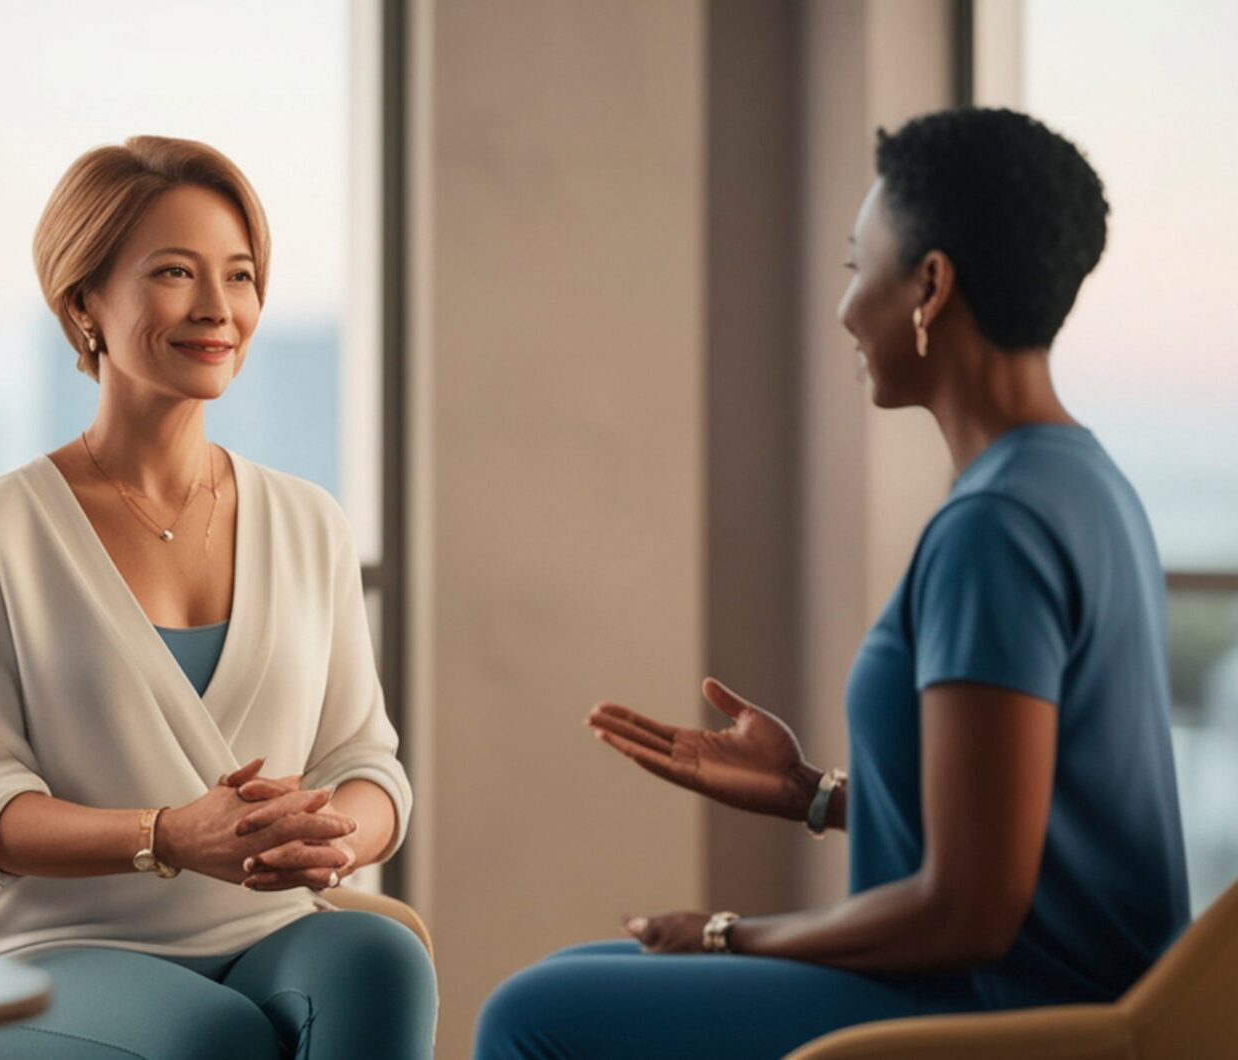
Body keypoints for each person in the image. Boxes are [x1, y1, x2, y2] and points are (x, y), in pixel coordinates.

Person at [474, 107, 1191, 1060]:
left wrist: (730, 932)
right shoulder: (1081, 481)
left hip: (999, 1015)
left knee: (531, 1019)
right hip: (1041, 992)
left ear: (930, 285)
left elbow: (968, 912)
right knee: (566, 975)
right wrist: (811, 793)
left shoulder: (995, 528)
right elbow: (1027, 810)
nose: (848, 307)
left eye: (859, 268)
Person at [0, 136, 436, 1059]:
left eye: (239, 276)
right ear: (84, 305)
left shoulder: (309, 522)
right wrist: (170, 836)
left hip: (263, 936)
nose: (217, 309)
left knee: (381, 957)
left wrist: (332, 838)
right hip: (44, 957)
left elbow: (369, 764)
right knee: (212, 1039)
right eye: (173, 273)